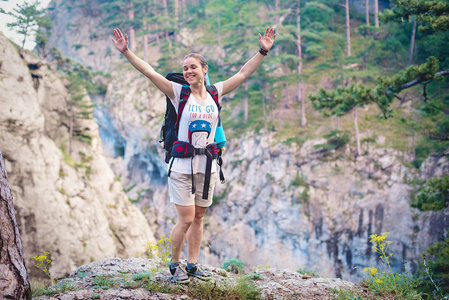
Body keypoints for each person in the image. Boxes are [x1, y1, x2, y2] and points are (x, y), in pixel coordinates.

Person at [111, 27, 276, 283]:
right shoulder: (178, 93)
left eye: (193, 67)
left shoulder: (215, 93)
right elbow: (148, 71)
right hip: (181, 167)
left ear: (204, 69)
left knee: (199, 217)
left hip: (207, 166)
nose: (188, 71)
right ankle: (175, 265)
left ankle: (193, 265)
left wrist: (263, 51)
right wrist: (127, 52)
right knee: (186, 219)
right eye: (185, 68)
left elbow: (243, 73)